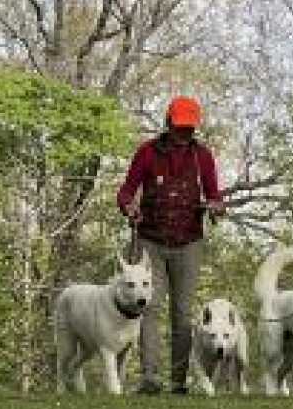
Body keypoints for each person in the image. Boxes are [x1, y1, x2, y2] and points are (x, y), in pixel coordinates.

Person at [116, 95, 225, 395]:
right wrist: (129, 207)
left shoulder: (202, 156)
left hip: (188, 243)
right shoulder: (147, 152)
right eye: (180, 127)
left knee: (183, 313)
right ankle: (150, 378)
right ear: (168, 123)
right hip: (150, 241)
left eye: (189, 128)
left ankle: (178, 382)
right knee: (148, 306)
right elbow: (126, 192)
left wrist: (216, 207)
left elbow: (215, 195)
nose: (184, 133)